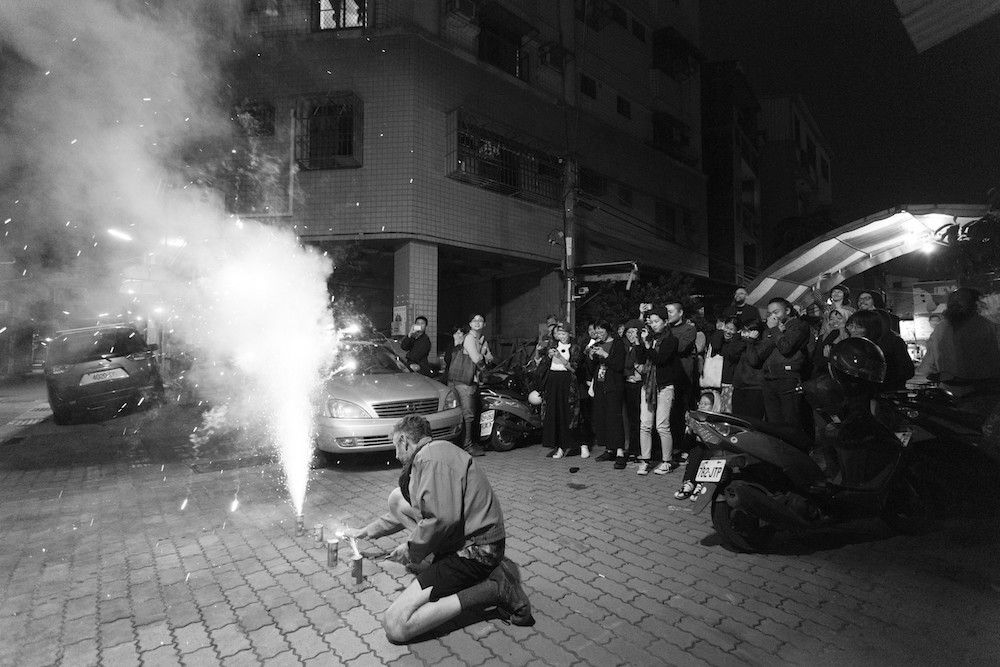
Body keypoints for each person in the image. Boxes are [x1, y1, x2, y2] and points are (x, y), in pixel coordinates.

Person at [345, 415, 533, 643]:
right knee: (397, 498)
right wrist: (366, 531)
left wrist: (411, 547)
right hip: (470, 541)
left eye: (396, 446)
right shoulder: (435, 453)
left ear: (405, 441)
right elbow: (414, 511)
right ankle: (485, 572)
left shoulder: (429, 460)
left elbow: (442, 519)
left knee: (395, 625)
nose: (395, 455)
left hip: (477, 551)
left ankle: (494, 589)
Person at [919, 288, 1000, 402]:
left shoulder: (941, 328)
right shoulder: (988, 327)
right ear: (974, 304)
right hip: (981, 395)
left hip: (952, 395)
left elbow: (927, 368)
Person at [634, 307, 686, 476]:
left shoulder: (671, 340)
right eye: (652, 321)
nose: (654, 325)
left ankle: (666, 461)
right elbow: (641, 358)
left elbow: (660, 360)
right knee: (645, 425)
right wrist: (639, 343)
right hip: (648, 386)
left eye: (657, 321)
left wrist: (648, 345)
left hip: (664, 386)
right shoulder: (649, 338)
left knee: (662, 426)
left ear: (665, 322)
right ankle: (645, 460)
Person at [746, 298, 810, 430]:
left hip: (787, 378)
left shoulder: (798, 325)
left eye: (776, 312)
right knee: (774, 424)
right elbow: (757, 357)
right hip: (769, 379)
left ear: (787, 310)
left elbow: (786, 348)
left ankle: (796, 450)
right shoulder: (772, 329)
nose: (773, 316)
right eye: (769, 313)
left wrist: (775, 330)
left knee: (791, 422)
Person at [447, 314, 494, 457]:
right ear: (470, 323)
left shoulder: (480, 340)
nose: (477, 323)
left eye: (480, 321)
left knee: (467, 414)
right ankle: (467, 446)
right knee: (468, 414)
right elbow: (477, 359)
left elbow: (490, 358)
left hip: (465, 381)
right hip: (463, 381)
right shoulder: (469, 338)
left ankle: (466, 443)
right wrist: (483, 358)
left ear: (484, 324)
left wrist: (485, 354)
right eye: (475, 320)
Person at [534, 322, 581, 459]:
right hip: (553, 380)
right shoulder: (553, 346)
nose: (562, 336)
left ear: (569, 334)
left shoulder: (574, 347)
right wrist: (549, 356)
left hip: (566, 380)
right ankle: (558, 446)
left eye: (564, 334)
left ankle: (568, 444)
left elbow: (574, 368)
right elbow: (543, 365)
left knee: (566, 413)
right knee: (554, 412)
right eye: (559, 334)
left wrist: (560, 357)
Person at [845, 310, 914, 391]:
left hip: (886, 395)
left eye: (859, 327)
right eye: (850, 325)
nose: (853, 330)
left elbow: (907, 371)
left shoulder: (891, 344)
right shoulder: (851, 345)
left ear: (870, 328)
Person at [589, 320, 627, 464]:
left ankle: (619, 452)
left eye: (600, 331)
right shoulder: (597, 344)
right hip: (600, 385)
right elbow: (592, 367)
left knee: (614, 418)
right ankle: (609, 449)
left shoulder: (617, 343)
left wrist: (605, 354)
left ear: (608, 330)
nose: (598, 334)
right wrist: (591, 356)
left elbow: (618, 365)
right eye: (596, 331)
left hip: (613, 386)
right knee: (603, 417)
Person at [673, 391, 718, 500]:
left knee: (708, 452)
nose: (702, 406)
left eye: (706, 404)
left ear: (713, 406)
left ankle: (701, 483)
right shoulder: (695, 419)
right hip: (699, 448)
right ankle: (689, 483)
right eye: (700, 403)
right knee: (696, 450)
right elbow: (687, 444)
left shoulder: (717, 421)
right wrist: (689, 431)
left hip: (712, 449)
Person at [621, 319, 646, 468]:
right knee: (630, 420)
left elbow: (639, 365)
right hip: (629, 385)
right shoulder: (626, 347)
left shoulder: (641, 347)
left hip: (640, 386)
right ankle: (632, 449)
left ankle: (639, 450)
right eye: (628, 332)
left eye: (633, 332)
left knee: (640, 419)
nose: (631, 335)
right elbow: (625, 366)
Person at [812, 309, 848, 376]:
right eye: (831, 319)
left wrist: (829, 358)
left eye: (839, 318)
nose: (835, 321)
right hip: (822, 373)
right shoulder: (826, 335)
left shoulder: (847, 337)